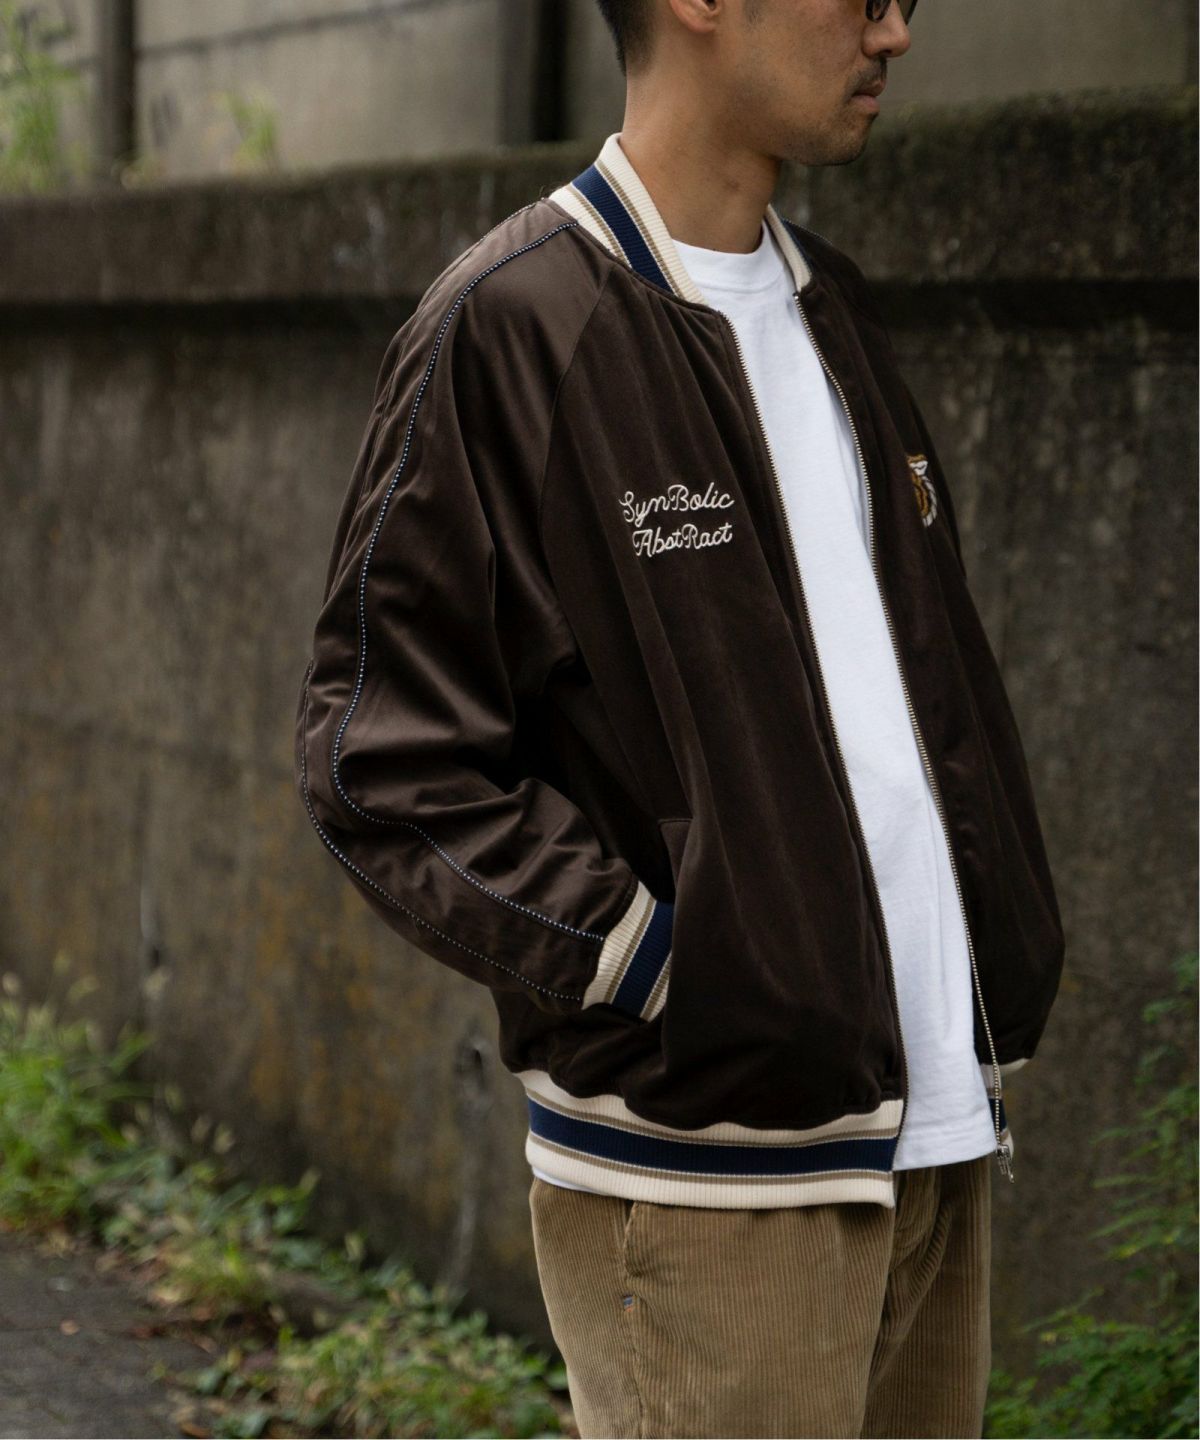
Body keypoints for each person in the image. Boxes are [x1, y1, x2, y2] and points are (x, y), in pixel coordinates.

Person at [294, 0, 1066, 1433]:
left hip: (935, 1141)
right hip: (706, 1177)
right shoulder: (517, 324)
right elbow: (381, 760)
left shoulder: (837, 311)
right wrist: (656, 962)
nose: (896, 34)